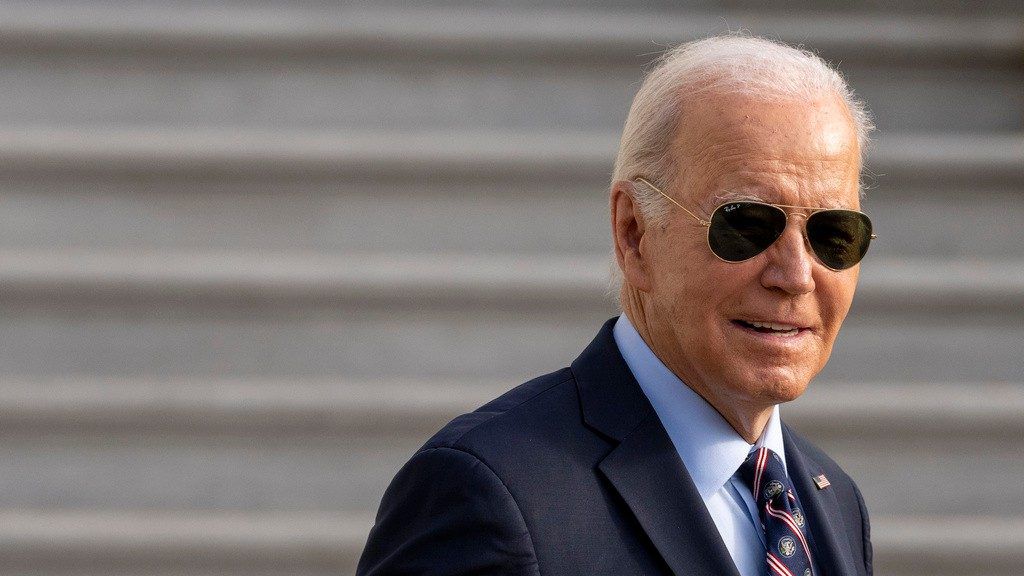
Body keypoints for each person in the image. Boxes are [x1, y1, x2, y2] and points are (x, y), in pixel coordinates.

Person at [357, 34, 875, 576]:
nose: (795, 276)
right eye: (746, 224)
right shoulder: (490, 494)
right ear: (634, 234)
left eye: (834, 232)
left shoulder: (832, 501)